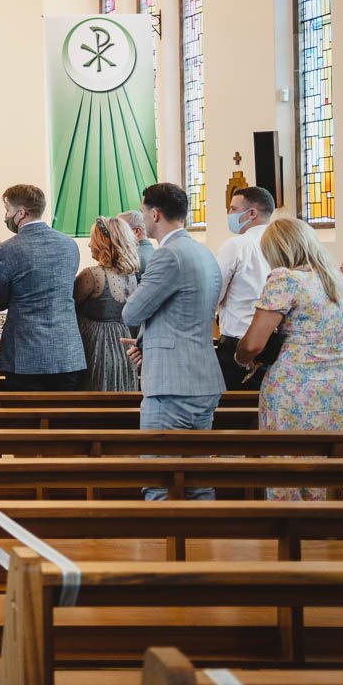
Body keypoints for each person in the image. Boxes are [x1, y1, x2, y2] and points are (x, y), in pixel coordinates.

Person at [235, 218, 343, 500]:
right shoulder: (336, 279)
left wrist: (241, 357)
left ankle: (293, 528)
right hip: (335, 382)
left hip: (294, 384)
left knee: (288, 458)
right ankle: (333, 526)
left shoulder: (286, 278)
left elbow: (253, 343)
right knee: (330, 457)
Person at [121, 183, 223, 500]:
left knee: (160, 480)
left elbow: (131, 311)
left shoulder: (168, 255)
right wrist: (148, 346)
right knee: (197, 480)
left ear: (155, 213)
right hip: (202, 377)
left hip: (172, 386)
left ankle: (163, 549)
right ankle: (199, 547)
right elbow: (187, 316)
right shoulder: (204, 253)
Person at [0, 184, 84, 390]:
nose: (6, 216)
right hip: (66, 351)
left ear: (21, 213)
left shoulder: (6, 250)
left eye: (8, 211)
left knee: (25, 419)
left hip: (24, 354)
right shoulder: (69, 245)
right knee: (64, 420)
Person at [213, 187, 277, 390]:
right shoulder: (285, 244)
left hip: (239, 344)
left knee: (234, 413)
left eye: (233, 209)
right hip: (275, 342)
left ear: (252, 213)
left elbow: (214, 293)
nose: (229, 214)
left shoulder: (237, 245)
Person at [74, 216, 141, 392]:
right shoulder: (131, 276)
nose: (89, 245)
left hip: (97, 347)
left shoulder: (92, 275)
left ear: (103, 243)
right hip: (123, 346)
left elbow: (69, 309)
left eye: (92, 240)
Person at [119, 210, 155, 280]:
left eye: (121, 230)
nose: (116, 235)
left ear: (136, 231)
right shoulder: (154, 252)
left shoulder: (132, 258)